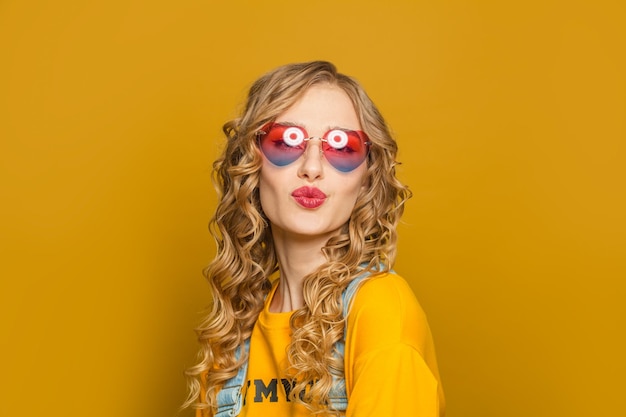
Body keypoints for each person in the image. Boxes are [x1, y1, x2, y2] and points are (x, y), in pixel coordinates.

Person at [185, 61, 445, 416]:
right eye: (286, 141)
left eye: (341, 147)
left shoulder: (382, 310)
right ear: (251, 164)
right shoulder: (234, 337)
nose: (312, 167)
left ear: (367, 177)